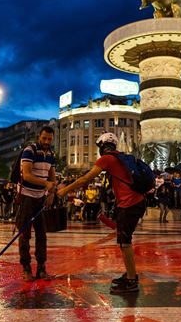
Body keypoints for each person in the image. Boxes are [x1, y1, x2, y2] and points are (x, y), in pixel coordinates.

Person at [57, 132, 146, 294]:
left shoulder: (107, 159)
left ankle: (132, 281)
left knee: (125, 242)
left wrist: (65, 190)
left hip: (130, 204)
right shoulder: (120, 157)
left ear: (102, 147)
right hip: (134, 202)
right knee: (123, 240)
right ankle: (130, 274)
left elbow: (85, 179)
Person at [16, 126, 57, 281]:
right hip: (26, 196)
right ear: (39, 136)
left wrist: (51, 192)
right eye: (44, 138)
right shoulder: (30, 150)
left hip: (41, 197)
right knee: (24, 234)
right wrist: (45, 184)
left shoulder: (52, 155)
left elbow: (52, 177)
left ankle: (41, 268)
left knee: (42, 234)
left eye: (49, 139)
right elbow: (26, 175)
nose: (46, 141)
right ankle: (26, 268)